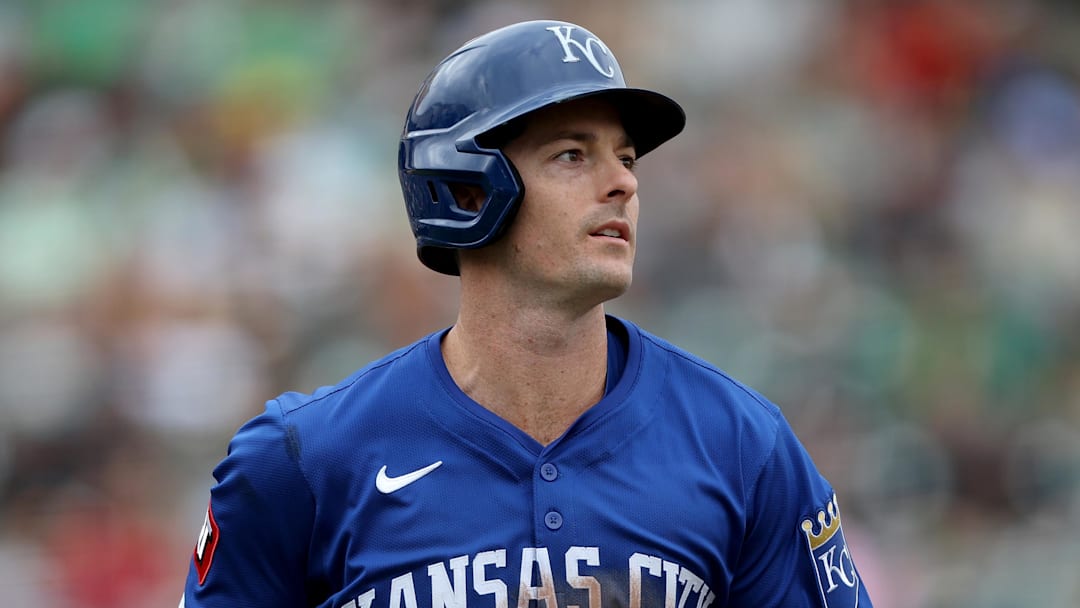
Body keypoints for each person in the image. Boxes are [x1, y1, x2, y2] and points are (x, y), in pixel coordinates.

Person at [180, 19, 874, 608]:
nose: (623, 182)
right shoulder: (301, 462)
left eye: (626, 158)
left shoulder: (744, 446)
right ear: (466, 191)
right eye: (572, 154)